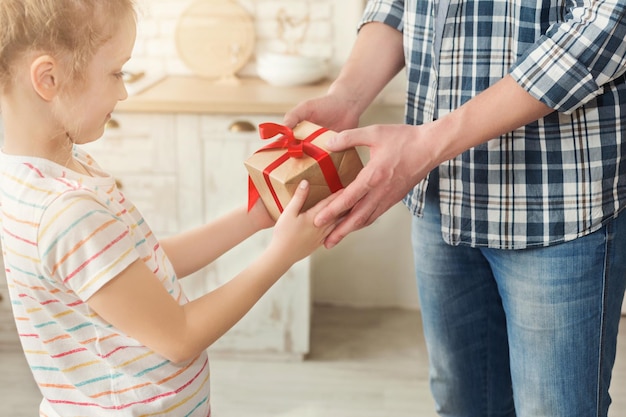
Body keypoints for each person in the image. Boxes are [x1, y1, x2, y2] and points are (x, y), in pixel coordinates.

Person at [284, 0, 626, 416]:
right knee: (462, 403)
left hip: (555, 204)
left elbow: (609, 22)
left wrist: (427, 145)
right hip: (442, 199)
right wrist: (347, 95)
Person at [0, 1, 337, 416]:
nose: (123, 90)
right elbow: (180, 335)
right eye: (116, 72)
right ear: (48, 79)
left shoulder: (49, 175)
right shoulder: (67, 212)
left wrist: (254, 219)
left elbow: (144, 265)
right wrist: (282, 256)